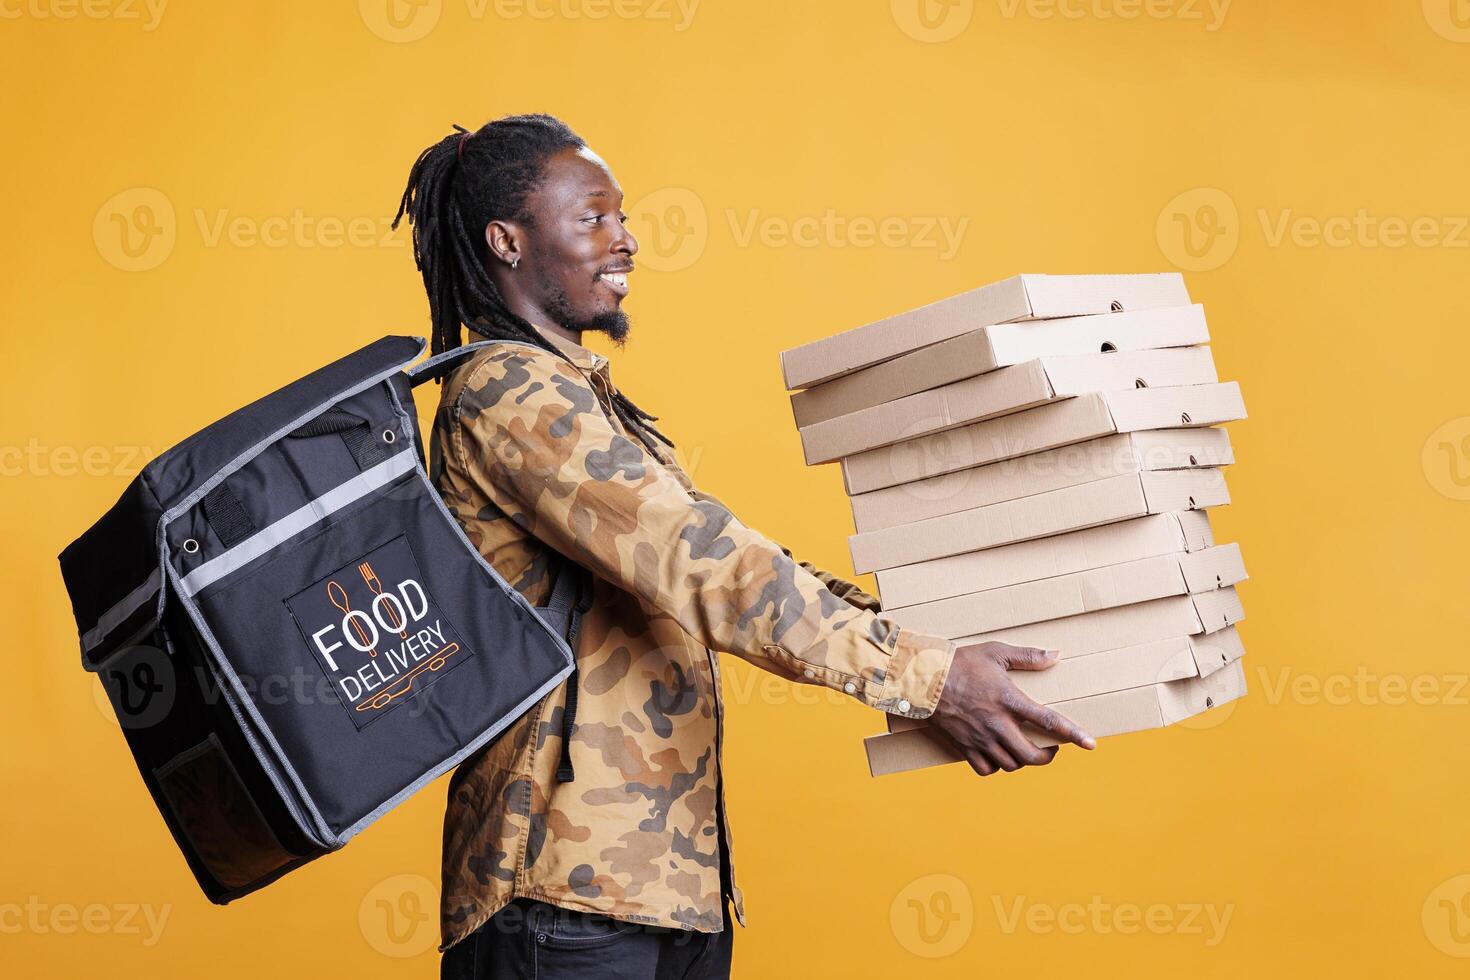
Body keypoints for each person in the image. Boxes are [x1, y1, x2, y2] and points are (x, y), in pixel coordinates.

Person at [392, 113, 1095, 980]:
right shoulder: (508, 392)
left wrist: (927, 636)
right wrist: (928, 678)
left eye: (623, 216)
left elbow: (734, 550)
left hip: (661, 887)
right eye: (594, 219)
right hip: (564, 901)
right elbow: (706, 565)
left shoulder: (579, 396)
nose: (628, 241)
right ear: (507, 241)